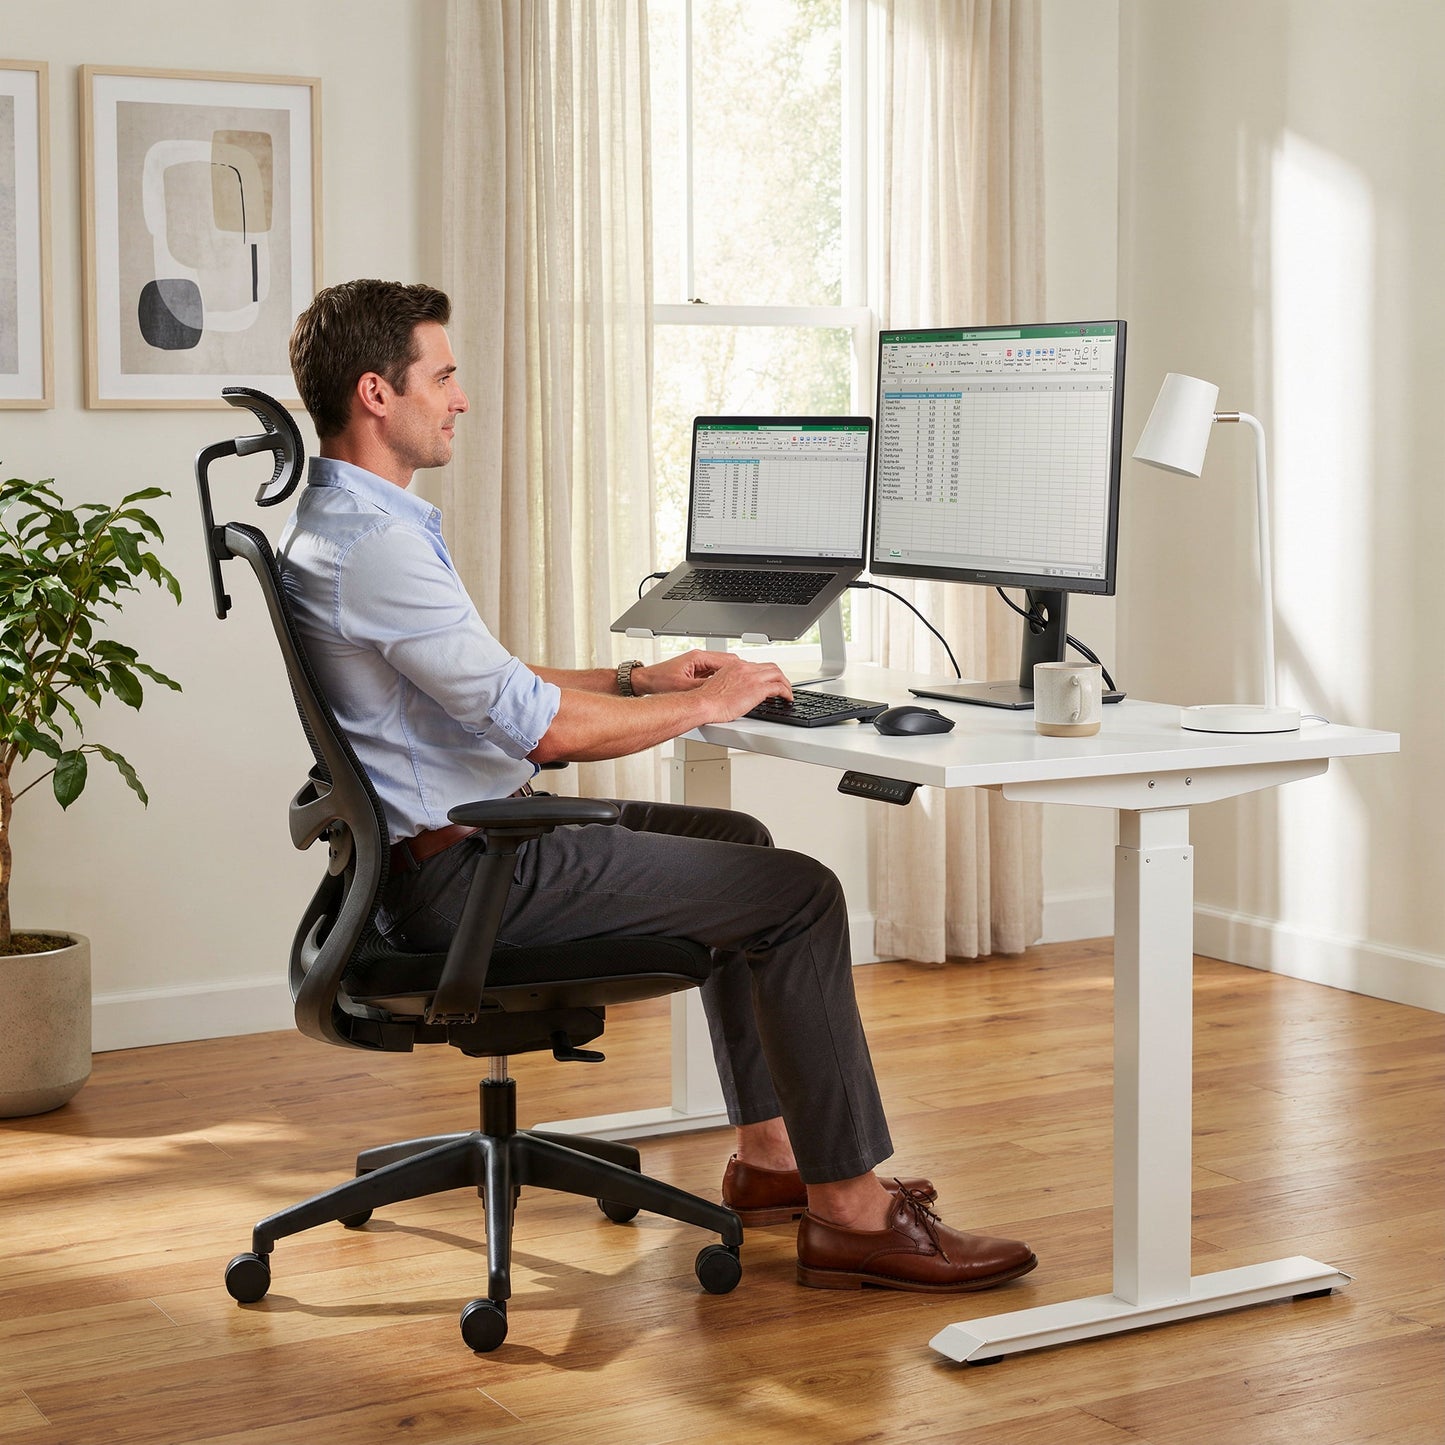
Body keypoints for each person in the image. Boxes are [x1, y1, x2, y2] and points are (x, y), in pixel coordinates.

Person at [278, 278, 1036, 1295]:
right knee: (800, 894)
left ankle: (772, 1161)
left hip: (445, 849)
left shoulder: (343, 521)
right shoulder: (376, 547)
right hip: (473, 873)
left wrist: (641, 678)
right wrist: (709, 703)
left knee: (739, 845)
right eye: (444, 373)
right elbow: (538, 727)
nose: (461, 397)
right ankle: (853, 1213)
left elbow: (493, 687)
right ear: (377, 392)